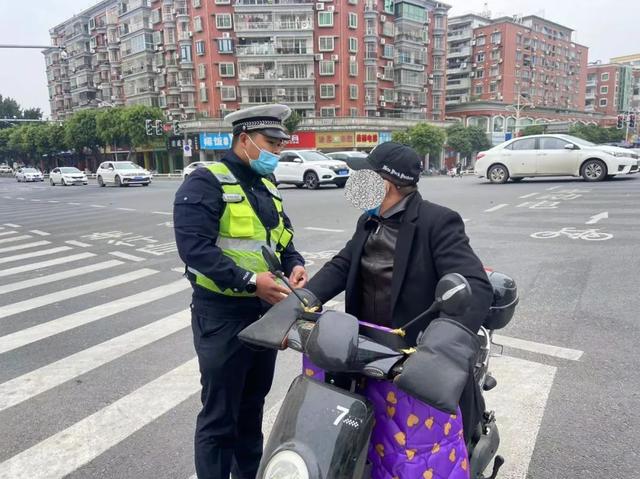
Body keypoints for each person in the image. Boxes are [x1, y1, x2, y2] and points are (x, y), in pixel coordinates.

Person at [305, 141, 493, 454]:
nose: (355, 184)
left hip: (414, 358)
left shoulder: (437, 222)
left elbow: (475, 284)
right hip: (366, 351)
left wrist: (437, 349)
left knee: (417, 452)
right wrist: (303, 298)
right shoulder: (369, 220)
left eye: (362, 177)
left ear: (386, 183)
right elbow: (343, 265)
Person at [173, 104, 307, 479]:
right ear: (244, 139)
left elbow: (282, 239)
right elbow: (195, 250)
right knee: (220, 416)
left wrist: (295, 263)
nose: (276, 152)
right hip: (222, 315)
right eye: (270, 143)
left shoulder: (266, 184)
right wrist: (251, 282)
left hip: (264, 315)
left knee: (251, 409)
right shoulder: (205, 181)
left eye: (281, 144)